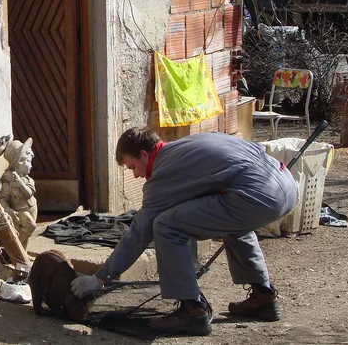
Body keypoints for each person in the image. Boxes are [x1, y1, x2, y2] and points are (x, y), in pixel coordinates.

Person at [70, 127, 298, 336]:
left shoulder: (164, 172)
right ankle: (263, 297)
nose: (136, 175)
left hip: (258, 195)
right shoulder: (187, 147)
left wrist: (100, 278)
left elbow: (140, 232)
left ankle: (192, 310)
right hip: (286, 184)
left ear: (144, 155)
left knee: (166, 225)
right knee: (232, 220)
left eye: (132, 167)